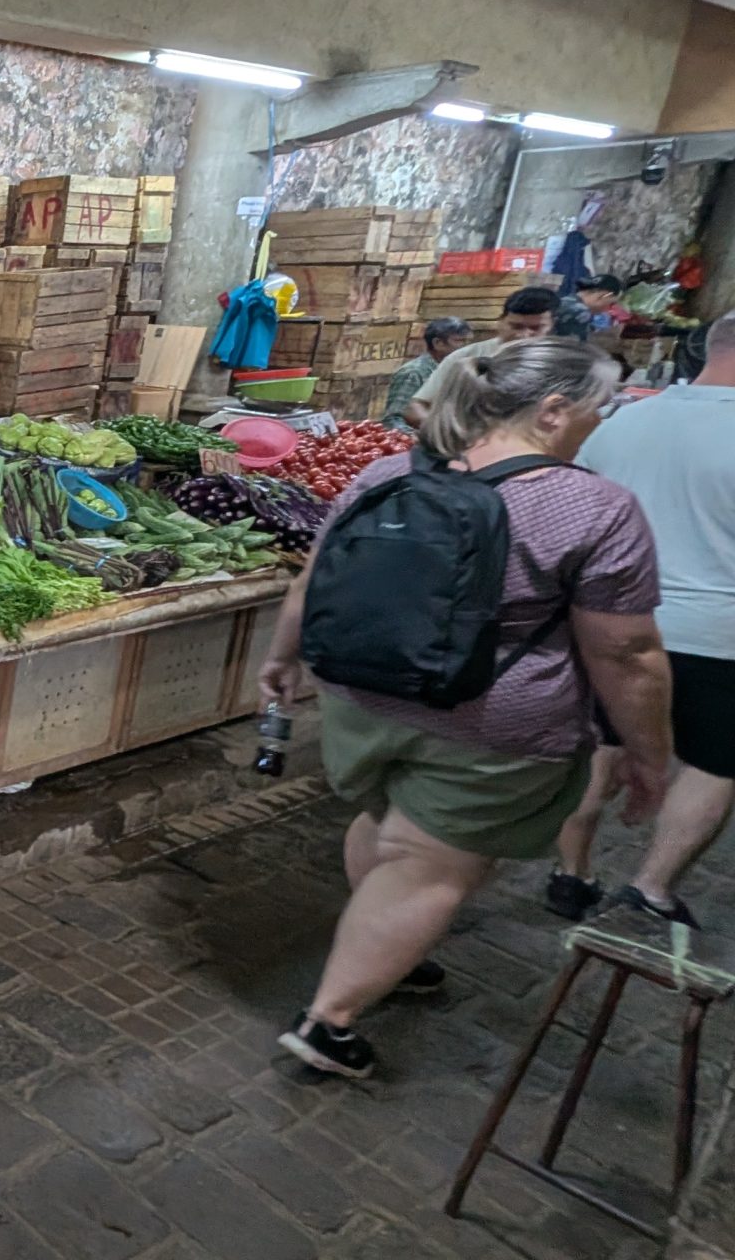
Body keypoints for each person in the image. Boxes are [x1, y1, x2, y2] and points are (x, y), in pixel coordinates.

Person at [257, 337, 673, 1078]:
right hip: (487, 724)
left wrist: (282, 659)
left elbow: (310, 581)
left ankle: (392, 945)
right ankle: (330, 1022)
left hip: (363, 696)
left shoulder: (390, 472)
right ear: (552, 411)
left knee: (386, 824)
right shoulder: (593, 506)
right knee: (428, 864)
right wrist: (647, 752)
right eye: (597, 407)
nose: (601, 421)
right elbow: (626, 652)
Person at [548, 313, 735, 925]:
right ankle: (650, 888)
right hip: (718, 633)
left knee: (598, 746)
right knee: (715, 762)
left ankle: (569, 874)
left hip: (608, 622)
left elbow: (575, 504)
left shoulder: (625, 420)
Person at [401, 286, 557, 431]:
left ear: (552, 326)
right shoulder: (466, 357)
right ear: (500, 321)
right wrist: (448, 434)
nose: (523, 335)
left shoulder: (562, 365)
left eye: (536, 328)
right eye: (516, 326)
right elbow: (416, 407)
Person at [384, 318, 473, 432]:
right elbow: (393, 420)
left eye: (468, 342)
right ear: (438, 343)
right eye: (460, 341)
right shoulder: (414, 372)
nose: (467, 347)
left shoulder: (457, 370)